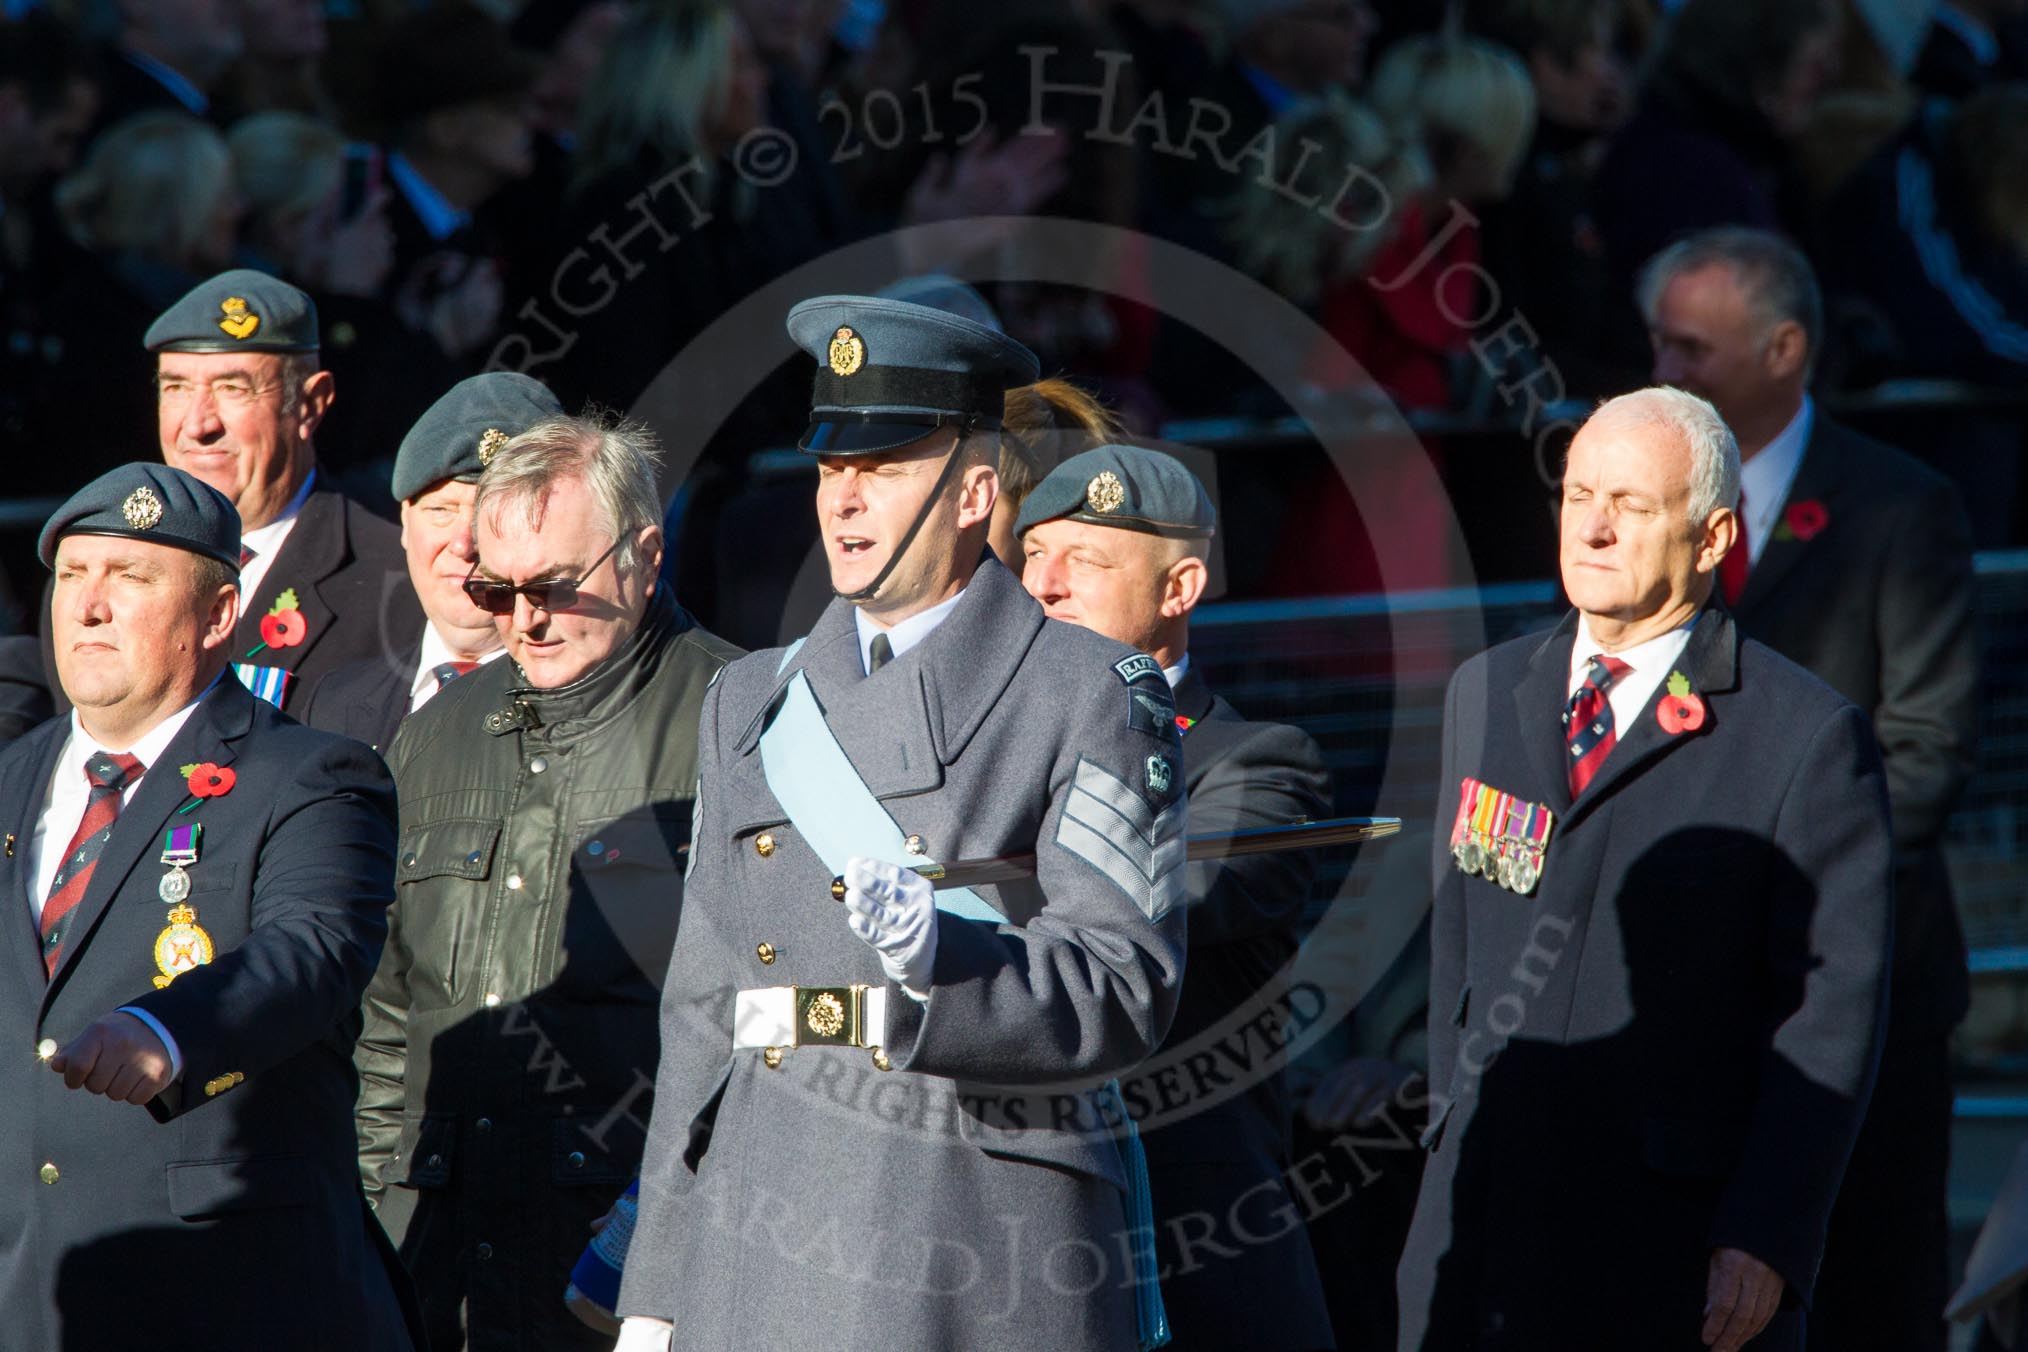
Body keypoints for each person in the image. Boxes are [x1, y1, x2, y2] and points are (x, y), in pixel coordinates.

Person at [612, 295, 1188, 1350]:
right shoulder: (751, 702)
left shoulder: (1091, 689)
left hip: (971, 1230)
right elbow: (706, 1011)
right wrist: (655, 1280)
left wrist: (946, 963)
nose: (845, 500)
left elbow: (1124, 981)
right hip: (763, 1234)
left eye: (884, 468)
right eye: (833, 469)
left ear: (974, 492)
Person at [1395, 387, 1893, 1351]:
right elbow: (1456, 937)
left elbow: (1833, 1013)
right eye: (1580, 494)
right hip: (1484, 1215)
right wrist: (1450, 1119)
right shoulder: (1486, 692)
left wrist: (1768, 1230)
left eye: (1632, 504)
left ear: (1710, 539)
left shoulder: (1804, 737)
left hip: (1675, 1246)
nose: (1593, 526)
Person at [1640, 226, 1978, 1352]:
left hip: (1861, 974)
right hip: (1686, 986)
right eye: (1658, 342)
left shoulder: (1898, 505)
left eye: (1693, 347)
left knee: (1875, 1285)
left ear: (1786, 349)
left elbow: (1926, 744)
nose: (1666, 370)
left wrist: (1796, 877)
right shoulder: (1634, 509)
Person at [0, 462, 414, 1349]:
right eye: (72, 575)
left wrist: (168, 1031)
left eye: (131, 577)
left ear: (220, 614)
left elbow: (315, 947)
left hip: (229, 1292)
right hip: (37, 1294)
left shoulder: (309, 774)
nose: (88, 605)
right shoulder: (7, 781)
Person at [354, 412, 740, 1352]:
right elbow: (388, 1022)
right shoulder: (434, 738)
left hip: (628, 1280)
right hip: (439, 1272)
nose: (523, 619)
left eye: (555, 588)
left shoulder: (742, 722)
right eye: (495, 588)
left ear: (644, 557)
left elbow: (760, 1044)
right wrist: (376, 1223)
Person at [1016, 443, 1335, 1352]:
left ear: (1181, 588)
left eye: (1088, 558)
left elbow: (1167, 895)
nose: (1045, 582)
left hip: (1197, 1246)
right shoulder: (985, 761)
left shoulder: (1258, 762)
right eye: (1034, 553)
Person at [44, 268, 422, 715]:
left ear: (310, 404)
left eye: (232, 388)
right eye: (177, 388)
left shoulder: (395, 583)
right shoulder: (90, 577)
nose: (198, 424)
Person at [298, 371, 561, 753]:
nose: (463, 543)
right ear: (405, 520)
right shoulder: (334, 706)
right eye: (441, 510)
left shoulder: (591, 706)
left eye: (494, 516)